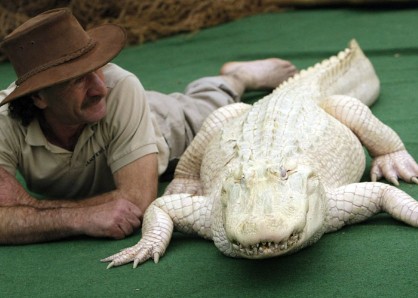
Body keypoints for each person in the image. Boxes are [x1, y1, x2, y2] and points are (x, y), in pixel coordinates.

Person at [0, 8, 297, 244]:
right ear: (38, 97)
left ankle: (239, 77)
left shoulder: (120, 87)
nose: (99, 88)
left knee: (214, 107)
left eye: (97, 69)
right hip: (128, 129)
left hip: (164, 126)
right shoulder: (3, 122)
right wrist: (82, 217)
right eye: (78, 80)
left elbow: (136, 202)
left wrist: (28, 210)